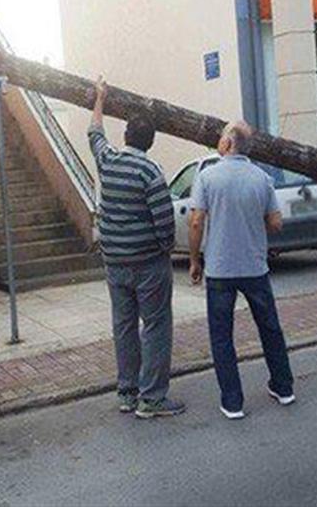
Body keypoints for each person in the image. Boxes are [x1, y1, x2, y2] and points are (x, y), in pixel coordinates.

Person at [87, 76, 184, 419]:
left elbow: (94, 133)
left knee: (124, 326)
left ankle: (127, 393)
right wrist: (164, 249)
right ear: (150, 142)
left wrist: (100, 97)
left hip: (114, 264)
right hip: (148, 265)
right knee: (156, 326)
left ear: (126, 136)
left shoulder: (108, 161)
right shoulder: (151, 173)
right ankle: (152, 398)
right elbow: (164, 224)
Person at [189, 121, 295, 419]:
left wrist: (195, 260)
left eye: (222, 136)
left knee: (222, 336)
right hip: (254, 266)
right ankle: (284, 387)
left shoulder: (208, 177)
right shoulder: (262, 179)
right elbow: (276, 223)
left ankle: (233, 401)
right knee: (270, 328)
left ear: (227, 144)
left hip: (220, 270)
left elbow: (196, 221)